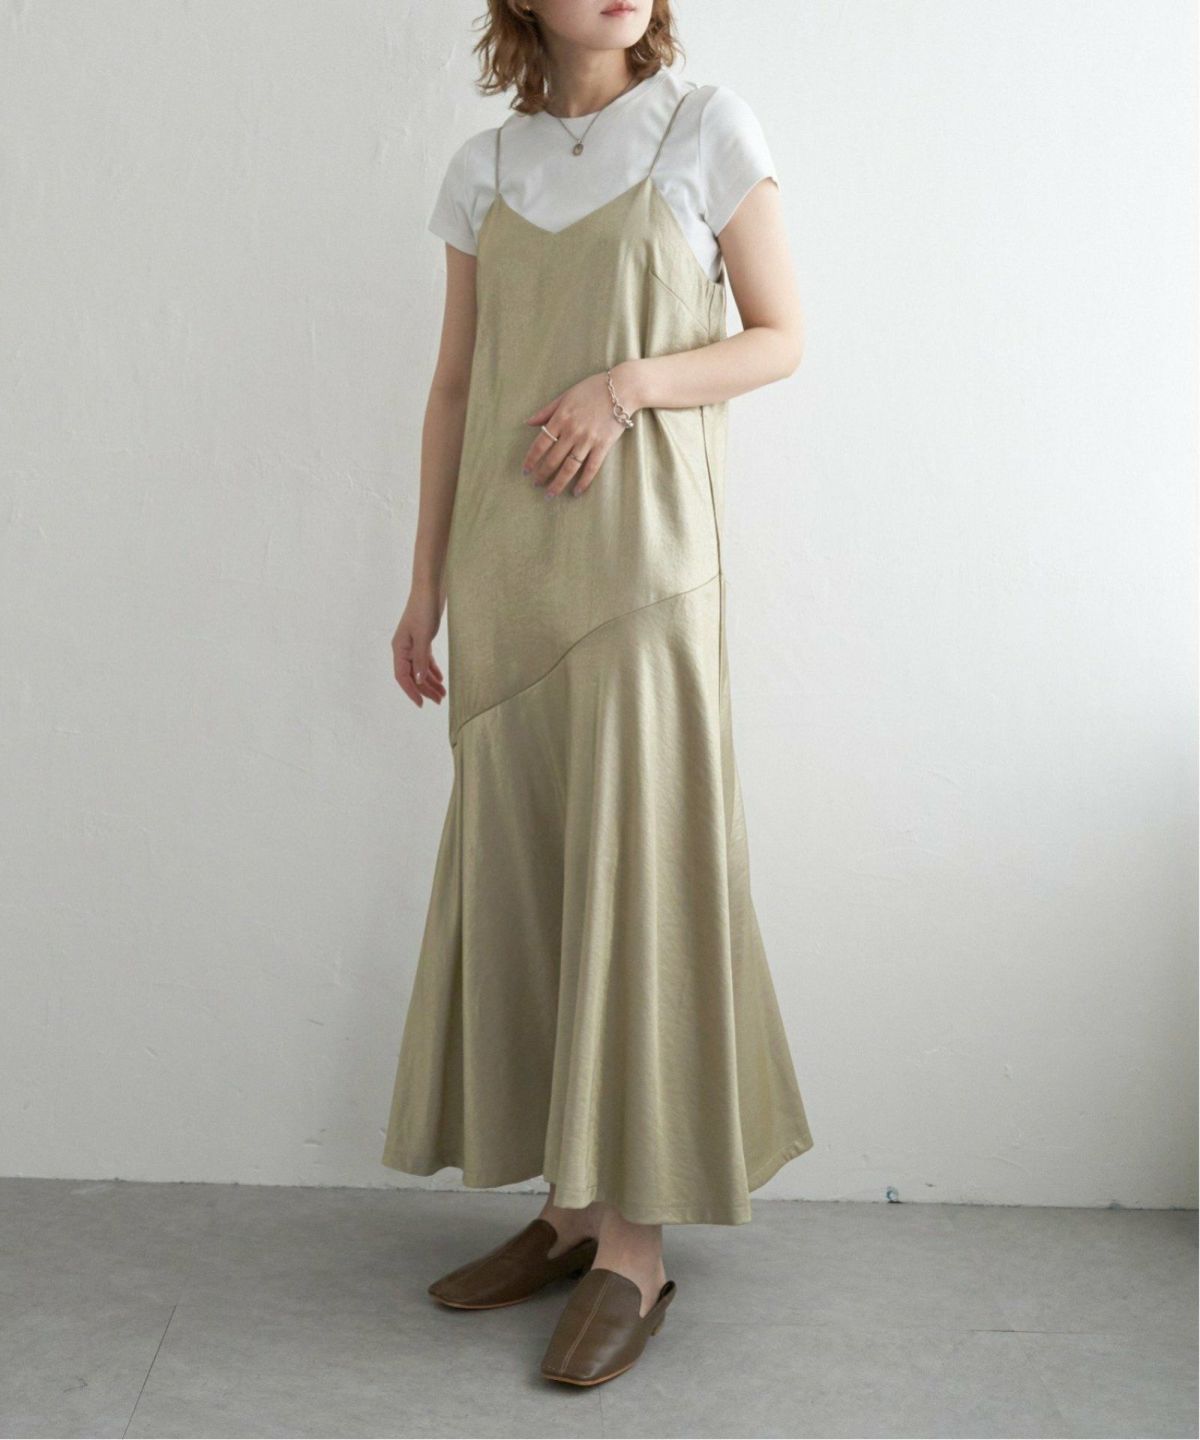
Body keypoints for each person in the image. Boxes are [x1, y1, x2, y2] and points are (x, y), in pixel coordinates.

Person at [381, 0, 814, 1387]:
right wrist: (426, 584)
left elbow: (781, 336)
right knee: (532, 878)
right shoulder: (484, 169)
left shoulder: (706, 127)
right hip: (508, 580)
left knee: (640, 882)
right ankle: (568, 1212)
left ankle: (636, 1245)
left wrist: (627, 384)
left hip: (645, 577)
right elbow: (455, 388)